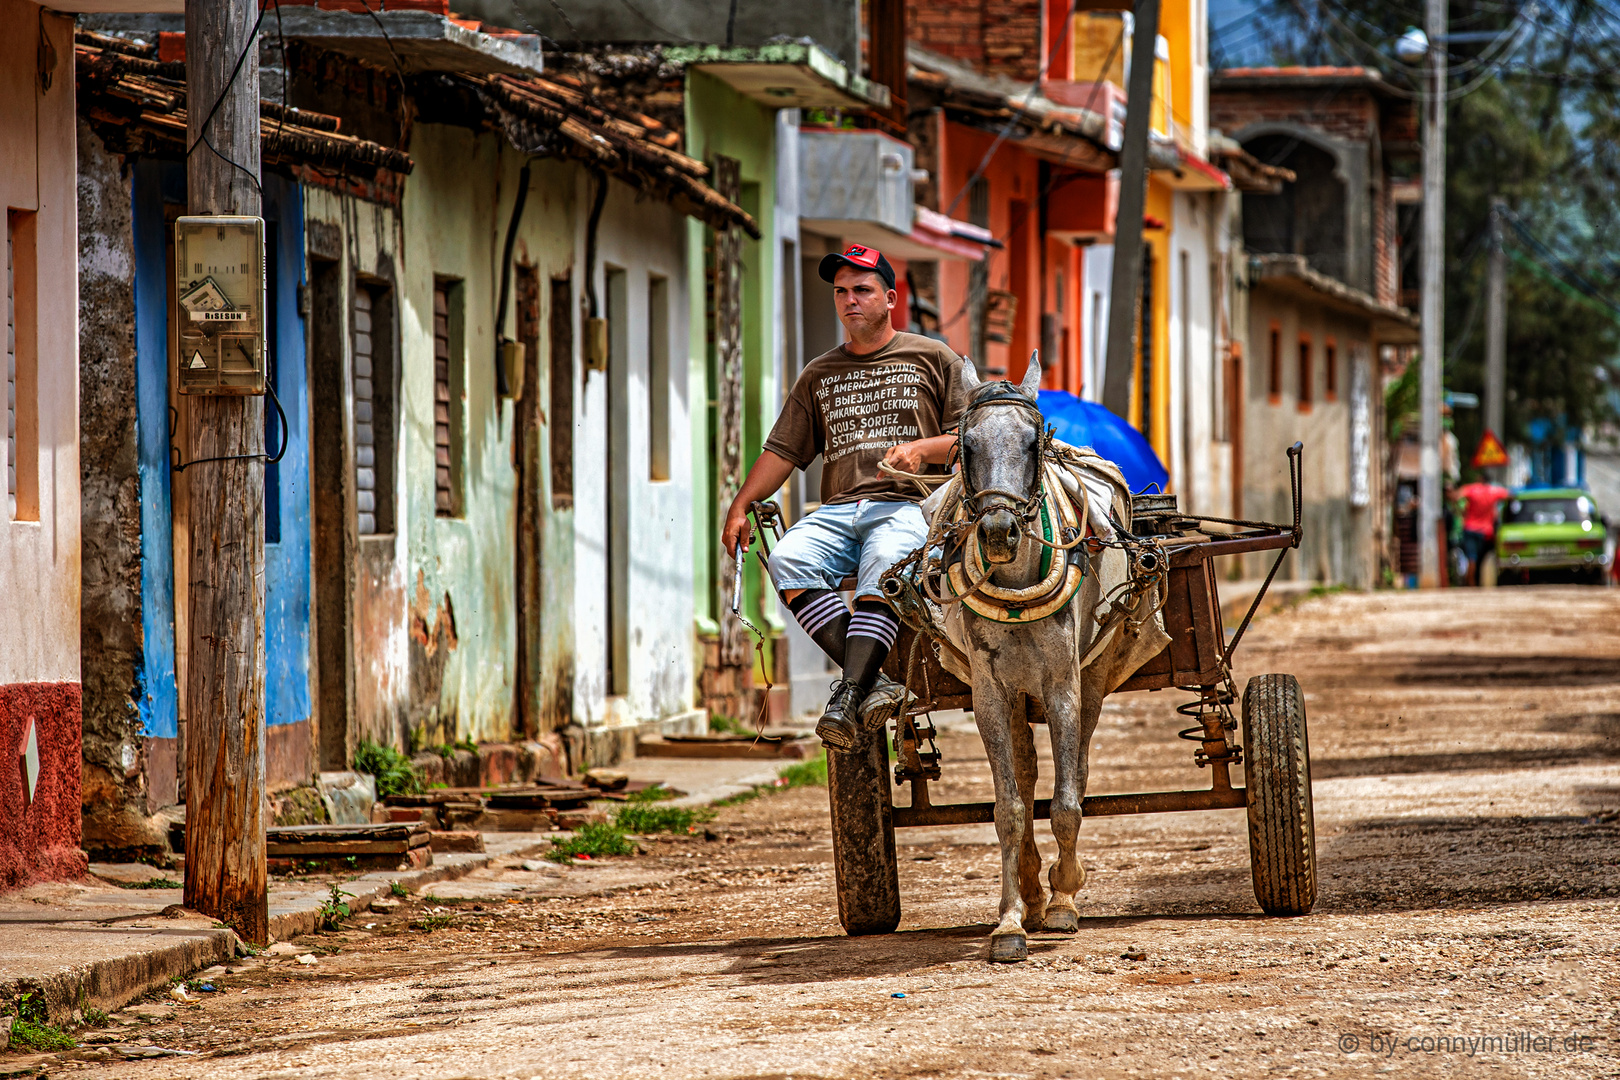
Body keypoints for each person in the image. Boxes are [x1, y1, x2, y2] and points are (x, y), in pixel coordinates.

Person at [721, 244, 966, 753]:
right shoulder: (818, 373)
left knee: (885, 558)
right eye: (840, 292)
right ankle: (873, 686)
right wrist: (740, 504)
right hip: (837, 511)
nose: (849, 300)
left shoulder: (934, 356)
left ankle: (849, 690)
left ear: (890, 298)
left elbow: (974, 437)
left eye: (862, 290)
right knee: (788, 558)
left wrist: (924, 448)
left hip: (909, 508)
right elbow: (781, 452)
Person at [1455, 477, 1510, 585]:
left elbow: (1458, 496)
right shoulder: (1493, 491)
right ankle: (1476, 581)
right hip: (1485, 531)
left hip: (1470, 527)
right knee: (1481, 558)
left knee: (1472, 558)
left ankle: (1471, 582)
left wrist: (1463, 510)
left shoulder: (1473, 489)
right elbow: (1509, 495)